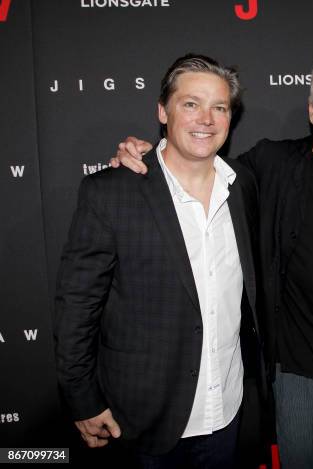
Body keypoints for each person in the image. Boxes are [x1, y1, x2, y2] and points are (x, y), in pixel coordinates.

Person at [111, 51, 313, 469]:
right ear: (312, 111)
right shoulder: (271, 165)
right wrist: (144, 157)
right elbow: (195, 163)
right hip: (302, 377)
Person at [54, 54, 264, 469]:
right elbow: (77, 307)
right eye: (191, 104)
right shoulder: (112, 192)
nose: (206, 118)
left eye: (219, 107)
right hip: (144, 422)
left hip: (226, 414)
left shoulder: (243, 186)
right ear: (162, 110)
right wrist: (82, 400)